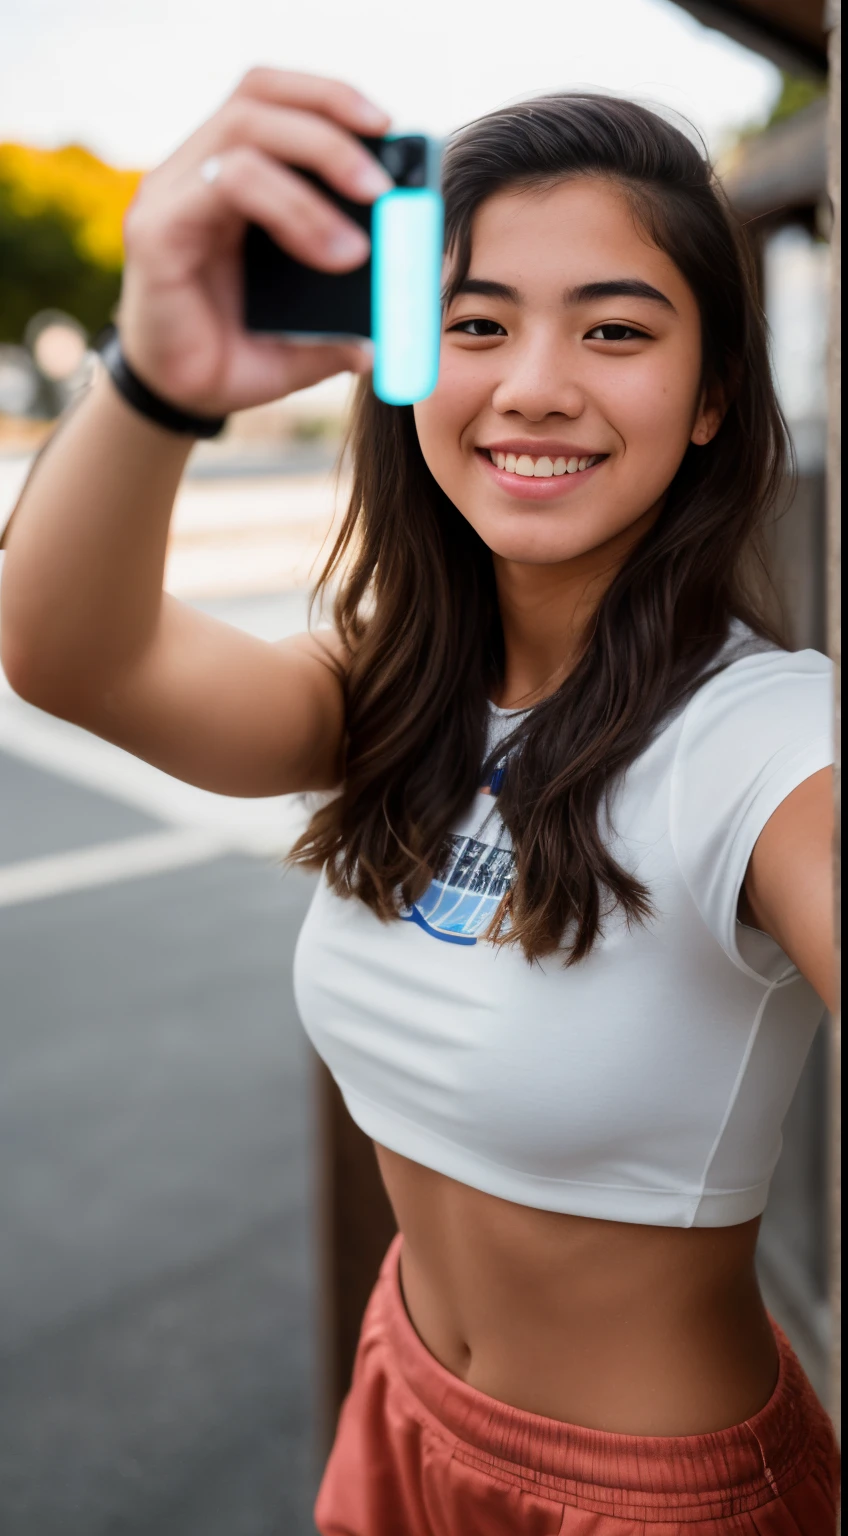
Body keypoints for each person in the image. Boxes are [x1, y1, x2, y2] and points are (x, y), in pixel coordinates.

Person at [0, 68, 839, 1536]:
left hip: (654, 1501)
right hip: (401, 1408)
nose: (533, 383)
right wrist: (158, 374)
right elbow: (72, 652)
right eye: (476, 323)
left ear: (712, 396)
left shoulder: (769, 737)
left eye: (616, 329)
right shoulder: (392, 685)